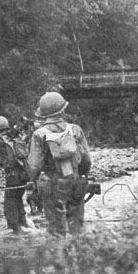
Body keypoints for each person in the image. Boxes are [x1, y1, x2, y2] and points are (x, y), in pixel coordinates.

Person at [27, 92, 92, 236]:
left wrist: (34, 183)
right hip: (76, 182)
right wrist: (82, 177)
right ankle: (79, 256)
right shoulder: (75, 129)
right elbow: (86, 159)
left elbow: (34, 166)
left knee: (56, 232)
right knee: (77, 229)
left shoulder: (39, 134)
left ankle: (59, 256)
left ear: (43, 114)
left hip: (52, 186)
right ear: (62, 110)